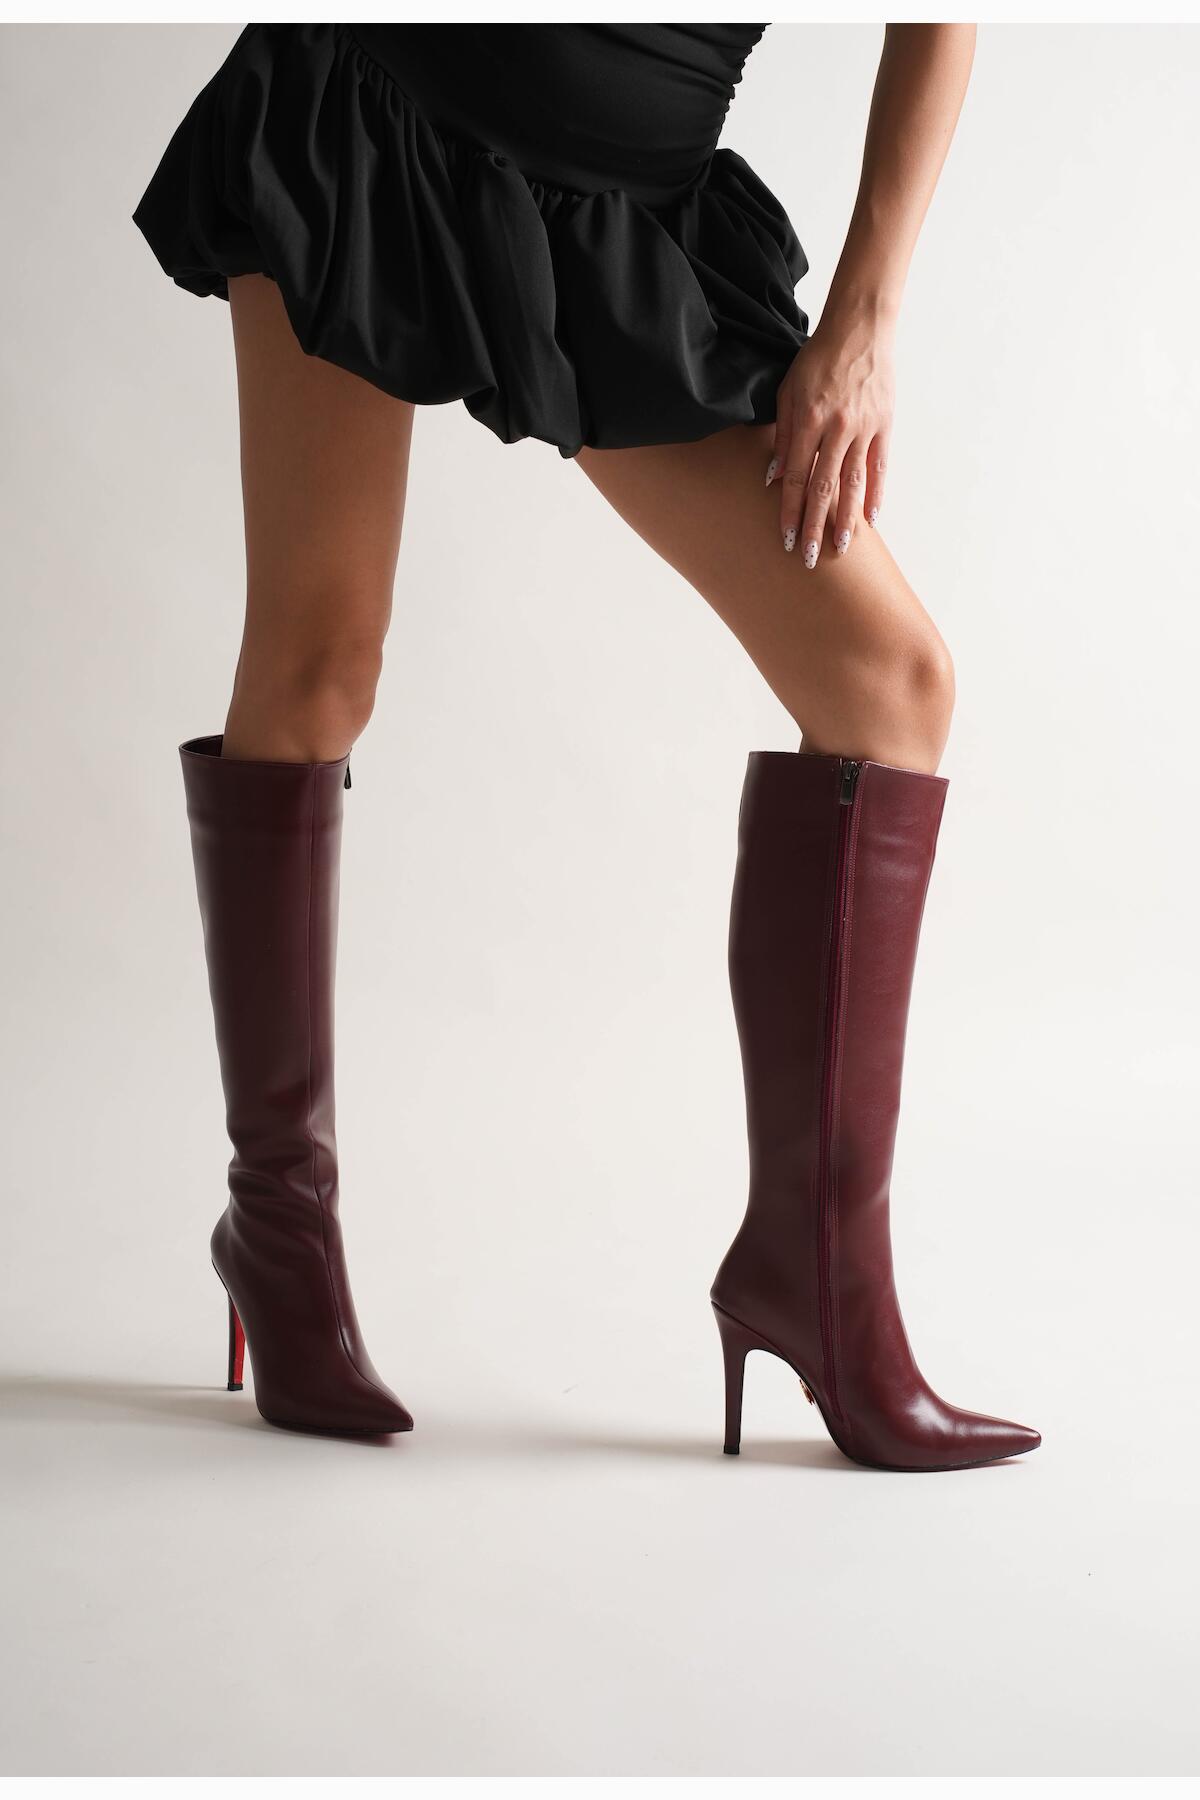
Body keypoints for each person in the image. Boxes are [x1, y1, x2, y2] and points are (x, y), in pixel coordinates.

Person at [133, 23, 1040, 1467]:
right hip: (375, 110)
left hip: (630, 210)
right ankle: (279, 1231)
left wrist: (864, 322)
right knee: (319, 659)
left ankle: (813, 1278)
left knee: (890, 687)